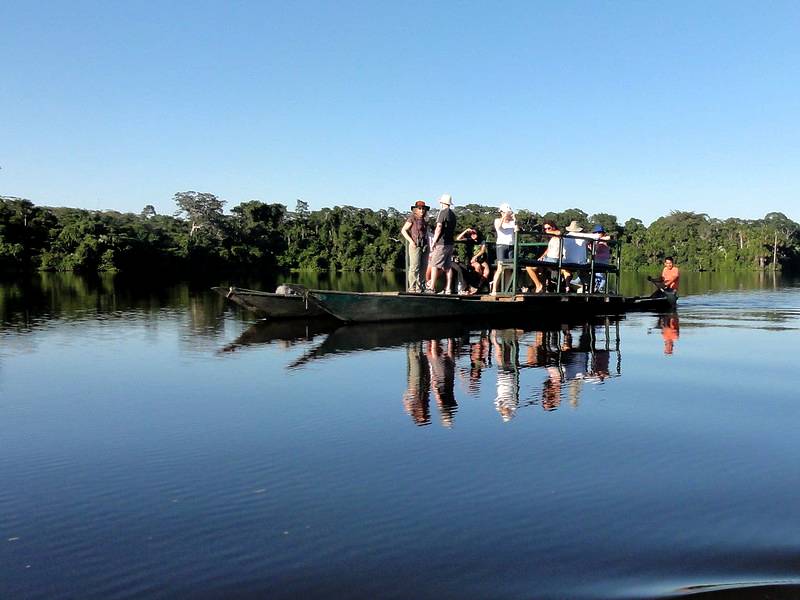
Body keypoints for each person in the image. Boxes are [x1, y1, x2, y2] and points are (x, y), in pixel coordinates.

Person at [428, 194, 457, 293]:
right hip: (450, 243)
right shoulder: (453, 214)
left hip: (442, 243)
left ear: (442, 203)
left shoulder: (442, 212)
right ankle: (448, 288)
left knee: (434, 265)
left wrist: (434, 241)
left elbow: (439, 227)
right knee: (448, 267)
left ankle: (432, 287)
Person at [400, 200, 430, 293]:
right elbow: (403, 230)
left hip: (424, 245)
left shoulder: (425, 220)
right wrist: (411, 241)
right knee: (414, 267)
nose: (421, 211)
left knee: (423, 267)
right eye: (419, 209)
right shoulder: (412, 218)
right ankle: (412, 287)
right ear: (415, 209)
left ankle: (420, 286)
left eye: (423, 209)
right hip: (415, 245)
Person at [525, 220, 562, 293]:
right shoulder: (552, 239)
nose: (547, 230)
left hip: (554, 260)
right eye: (545, 229)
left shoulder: (558, 236)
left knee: (530, 267)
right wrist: (542, 256)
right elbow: (548, 250)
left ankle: (539, 286)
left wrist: (548, 232)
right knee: (536, 268)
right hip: (547, 259)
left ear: (553, 227)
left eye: (549, 228)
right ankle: (540, 287)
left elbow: (559, 232)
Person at [490, 203, 519, 295]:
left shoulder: (512, 222)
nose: (508, 214)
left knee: (508, 268)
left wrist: (515, 220)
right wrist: (504, 217)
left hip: (511, 245)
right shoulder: (497, 220)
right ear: (502, 212)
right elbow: (498, 227)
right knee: (500, 267)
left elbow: (517, 230)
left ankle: (507, 290)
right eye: (506, 212)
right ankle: (494, 289)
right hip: (501, 246)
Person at [588, 225, 612, 292]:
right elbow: (594, 250)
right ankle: (595, 287)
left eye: (599, 232)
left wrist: (593, 245)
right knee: (591, 272)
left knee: (599, 273)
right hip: (597, 260)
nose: (598, 233)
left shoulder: (603, 240)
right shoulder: (596, 241)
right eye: (596, 232)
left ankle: (600, 287)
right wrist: (590, 247)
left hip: (603, 261)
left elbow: (610, 237)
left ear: (603, 233)